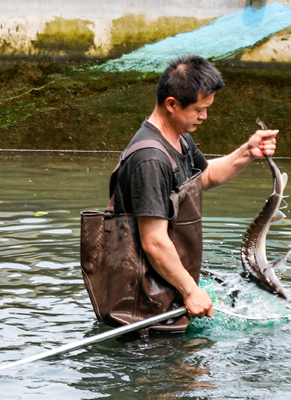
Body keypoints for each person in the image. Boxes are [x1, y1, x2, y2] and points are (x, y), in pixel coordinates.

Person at [111, 55, 278, 325]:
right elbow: (153, 240)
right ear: (172, 104)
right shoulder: (150, 159)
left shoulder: (180, 140)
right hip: (145, 309)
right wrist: (191, 290)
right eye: (199, 109)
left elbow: (207, 176)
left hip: (171, 295)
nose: (205, 116)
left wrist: (247, 152)